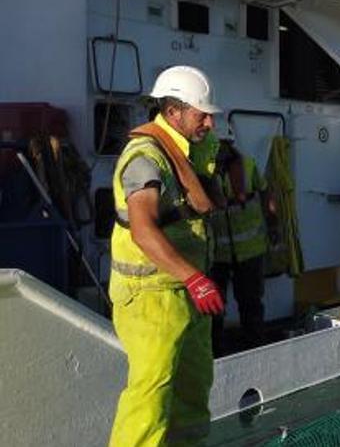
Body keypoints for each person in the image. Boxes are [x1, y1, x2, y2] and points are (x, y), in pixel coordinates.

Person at [109, 65, 224, 446]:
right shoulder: (145, 157)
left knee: (193, 390)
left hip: (186, 294)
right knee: (151, 395)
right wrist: (195, 278)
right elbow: (143, 229)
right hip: (151, 297)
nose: (209, 121)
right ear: (172, 112)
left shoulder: (187, 150)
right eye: (200, 113)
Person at [208, 138, 274, 353]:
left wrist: (274, 226)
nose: (219, 148)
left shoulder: (248, 164)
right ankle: (214, 353)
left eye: (222, 144)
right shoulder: (202, 169)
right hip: (217, 254)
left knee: (251, 304)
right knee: (214, 307)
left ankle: (256, 350)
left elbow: (266, 193)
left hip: (250, 251)